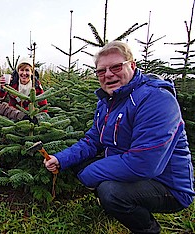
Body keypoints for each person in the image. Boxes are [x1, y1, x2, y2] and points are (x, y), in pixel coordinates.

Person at [44, 41, 194, 233]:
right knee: (78, 163)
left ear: (132, 65)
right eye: (101, 71)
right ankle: (118, 206)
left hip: (168, 186)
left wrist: (87, 176)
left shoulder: (156, 99)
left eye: (116, 67)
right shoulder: (108, 102)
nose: (108, 74)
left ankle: (148, 229)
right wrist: (61, 159)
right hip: (134, 170)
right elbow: (92, 140)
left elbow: (143, 164)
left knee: (110, 192)